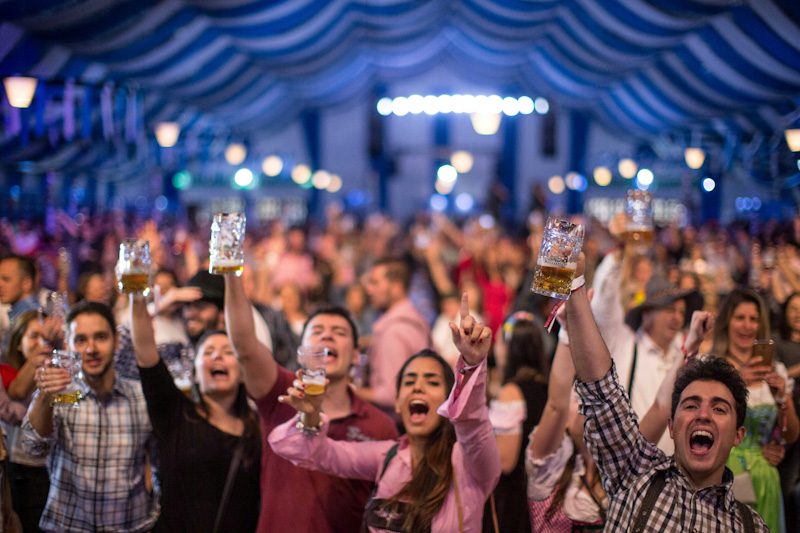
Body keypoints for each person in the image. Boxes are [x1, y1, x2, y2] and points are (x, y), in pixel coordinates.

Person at [564, 256, 768, 531]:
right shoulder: (636, 474)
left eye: (719, 408)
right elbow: (601, 391)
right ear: (671, 426)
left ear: (738, 435)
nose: (704, 415)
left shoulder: (750, 526)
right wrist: (575, 286)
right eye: (691, 406)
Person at [269, 293, 500, 532]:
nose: (418, 387)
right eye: (409, 381)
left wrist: (472, 366)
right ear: (398, 403)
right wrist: (309, 416)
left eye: (431, 382)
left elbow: (473, 425)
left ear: (448, 401)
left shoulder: (472, 464)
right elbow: (319, 454)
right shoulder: (385, 458)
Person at [223, 272, 398, 533]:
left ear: (355, 356)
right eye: (317, 331)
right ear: (300, 350)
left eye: (338, 332)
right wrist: (231, 274)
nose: (327, 337)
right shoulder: (281, 393)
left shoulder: (379, 426)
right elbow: (245, 347)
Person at [20, 301, 158, 532]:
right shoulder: (58, 393)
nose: (91, 349)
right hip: (68, 526)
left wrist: (158, 511)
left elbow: (162, 464)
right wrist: (45, 396)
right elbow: (33, 449)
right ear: (68, 344)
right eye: (81, 340)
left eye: (101, 337)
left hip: (130, 526)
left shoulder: (140, 397)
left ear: (117, 341)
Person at [129, 293, 260, 532]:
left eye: (229, 352)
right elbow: (144, 349)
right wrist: (136, 290)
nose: (218, 355)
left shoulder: (257, 431)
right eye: (208, 351)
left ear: (242, 373)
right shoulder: (174, 412)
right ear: (195, 373)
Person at [591, 246, 702, 453]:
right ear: (646, 314)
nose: (677, 317)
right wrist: (618, 254)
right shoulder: (624, 344)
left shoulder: (687, 353)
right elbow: (604, 303)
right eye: (669, 309)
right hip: (633, 469)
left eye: (681, 311)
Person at [712, 288, 800, 533]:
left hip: (764, 478)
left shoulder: (776, 370)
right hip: (722, 474)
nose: (747, 326)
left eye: (753, 319)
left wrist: (783, 399)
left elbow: (790, 434)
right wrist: (735, 382)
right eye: (740, 318)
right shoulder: (712, 368)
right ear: (727, 321)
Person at [483, 311, 548, 533]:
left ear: (510, 350)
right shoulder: (547, 389)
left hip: (513, 502)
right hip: (540, 496)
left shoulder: (512, 393)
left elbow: (505, 461)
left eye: (499, 341)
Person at [2, 310, 56, 532]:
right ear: (17, 342)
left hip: (49, 467)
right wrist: (37, 361)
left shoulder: (55, 367)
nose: (41, 343)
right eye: (34, 336)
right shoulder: (6, 371)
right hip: (21, 470)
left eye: (45, 338)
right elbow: (16, 393)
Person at [361, 257, 430, 411]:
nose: (369, 290)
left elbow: (392, 395)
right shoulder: (413, 319)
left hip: (397, 424)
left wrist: (351, 391)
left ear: (396, 287)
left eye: (375, 283)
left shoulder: (394, 332)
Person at [0, 255, 40, 350]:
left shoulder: (31, 317)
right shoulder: (20, 314)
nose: (0, 284)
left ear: (26, 283)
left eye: (6, 279)